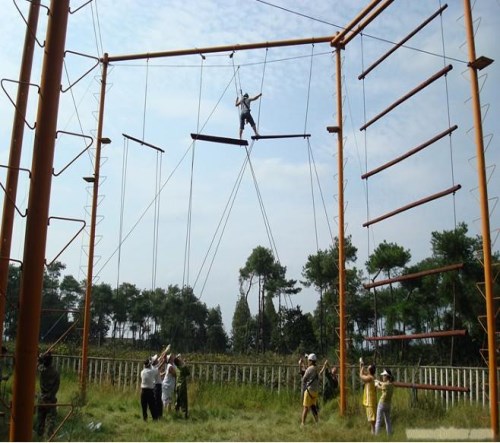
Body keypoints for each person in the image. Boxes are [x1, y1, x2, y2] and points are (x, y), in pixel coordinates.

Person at [36, 352, 60, 439]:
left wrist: (39, 359)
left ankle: (39, 436)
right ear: (51, 361)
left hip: (41, 398)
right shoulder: (55, 372)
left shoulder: (41, 369)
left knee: (40, 419)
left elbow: (37, 365)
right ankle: (49, 437)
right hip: (51, 399)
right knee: (51, 420)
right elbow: (56, 386)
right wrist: (51, 395)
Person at [301, 353, 319, 426]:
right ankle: (317, 422)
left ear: (311, 361)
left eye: (309, 360)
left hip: (309, 390)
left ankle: (302, 424)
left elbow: (304, 379)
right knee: (313, 407)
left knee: (305, 407)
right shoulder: (317, 368)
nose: (308, 361)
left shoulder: (309, 369)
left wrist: (302, 366)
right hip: (315, 391)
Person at [374, 368, 394, 435]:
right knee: (388, 420)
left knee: (378, 420)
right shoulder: (391, 384)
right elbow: (382, 384)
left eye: (383, 375)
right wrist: (378, 381)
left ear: (386, 376)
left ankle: (376, 434)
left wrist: (376, 383)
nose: (382, 377)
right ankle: (389, 434)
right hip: (388, 404)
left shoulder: (385, 385)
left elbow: (379, 386)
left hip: (382, 403)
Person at [359, 358, 377, 434]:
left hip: (370, 401)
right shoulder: (371, 376)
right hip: (370, 400)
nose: (367, 369)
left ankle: (374, 432)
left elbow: (361, 376)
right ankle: (373, 432)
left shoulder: (370, 378)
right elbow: (363, 372)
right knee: (371, 418)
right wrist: (361, 364)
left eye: (368, 368)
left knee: (372, 419)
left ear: (370, 370)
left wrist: (362, 366)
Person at [174, 354, 190, 419]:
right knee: (184, 401)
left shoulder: (176, 368)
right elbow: (188, 373)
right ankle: (185, 415)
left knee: (178, 400)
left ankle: (176, 414)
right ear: (179, 362)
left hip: (177, 386)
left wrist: (179, 360)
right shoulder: (183, 368)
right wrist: (184, 363)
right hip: (182, 387)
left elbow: (178, 363)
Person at [151, 354, 163, 419]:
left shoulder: (154, 365)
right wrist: (164, 361)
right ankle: (158, 415)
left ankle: (158, 414)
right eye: (156, 359)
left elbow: (160, 357)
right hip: (157, 385)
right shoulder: (154, 368)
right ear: (155, 361)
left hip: (156, 385)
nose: (157, 359)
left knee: (158, 400)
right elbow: (160, 365)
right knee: (157, 400)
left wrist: (165, 351)